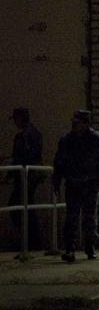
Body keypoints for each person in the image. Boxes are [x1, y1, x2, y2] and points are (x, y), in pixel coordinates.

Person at [51, 110, 99, 262]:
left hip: (90, 183)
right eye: (74, 122)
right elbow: (59, 161)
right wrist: (56, 180)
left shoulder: (96, 139)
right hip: (73, 183)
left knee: (90, 216)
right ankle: (70, 248)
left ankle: (90, 245)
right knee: (71, 217)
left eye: (77, 122)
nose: (74, 124)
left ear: (86, 124)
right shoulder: (67, 140)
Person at [7, 107, 44, 251]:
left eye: (16, 119)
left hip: (26, 177)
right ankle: (31, 242)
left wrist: (12, 171)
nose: (15, 122)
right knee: (26, 208)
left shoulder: (25, 135)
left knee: (19, 208)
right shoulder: (33, 133)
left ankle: (29, 242)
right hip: (28, 177)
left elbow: (24, 156)